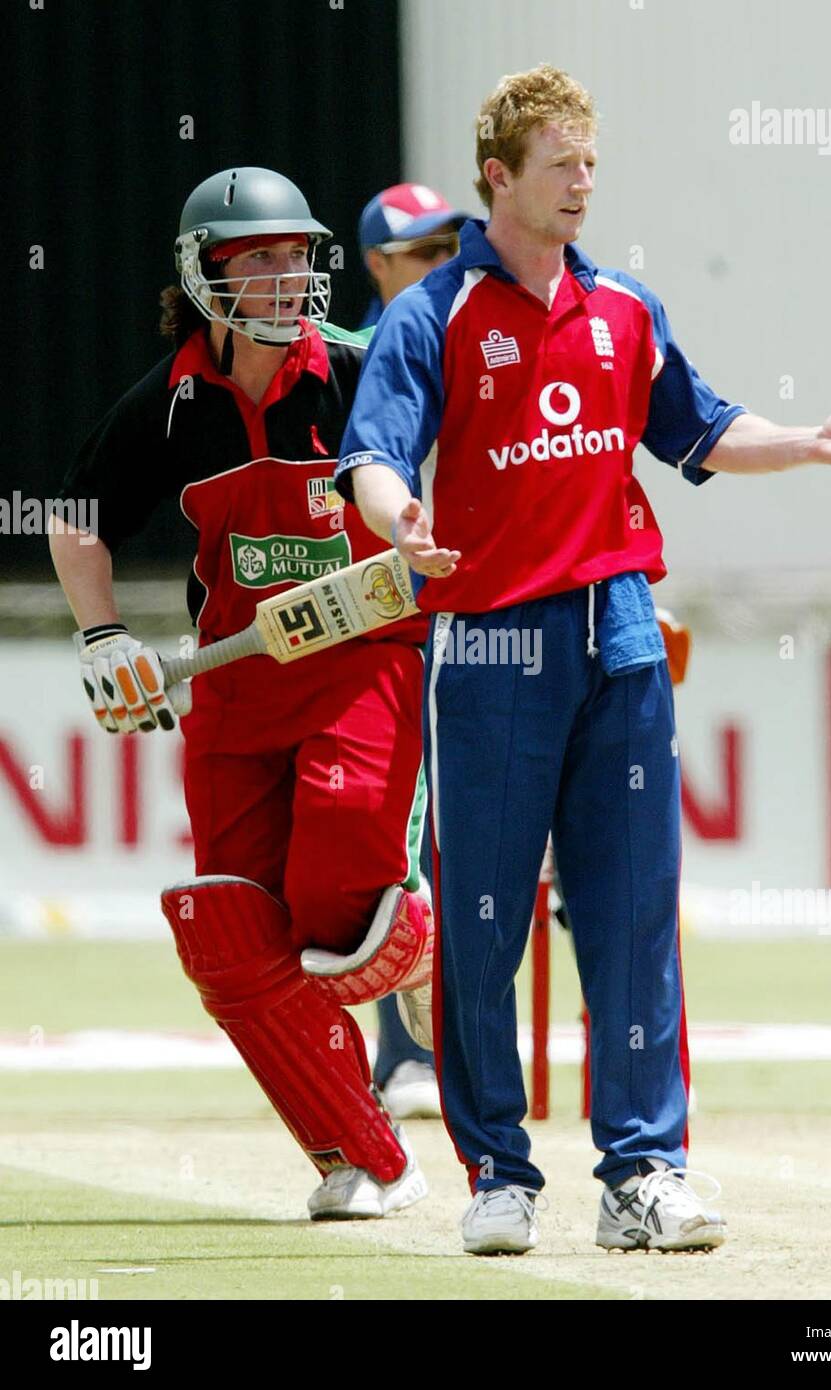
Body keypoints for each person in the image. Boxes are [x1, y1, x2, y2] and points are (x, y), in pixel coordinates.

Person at [334, 66, 831, 1256]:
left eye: (590, 165)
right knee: (483, 919)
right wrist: (398, 516)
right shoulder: (432, 315)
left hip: (617, 628)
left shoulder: (624, 311)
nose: (583, 186)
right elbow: (375, 456)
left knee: (630, 916)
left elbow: (704, 430)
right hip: (493, 640)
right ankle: (497, 1172)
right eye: (561, 166)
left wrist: (812, 441)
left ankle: (643, 1172)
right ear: (497, 178)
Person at [48, 166, 438, 1222]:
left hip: (363, 661)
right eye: (255, 259)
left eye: (295, 256)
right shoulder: (168, 402)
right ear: (203, 275)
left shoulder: (360, 369)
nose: (284, 277)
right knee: (231, 932)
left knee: (335, 884)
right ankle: (355, 1154)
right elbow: (75, 513)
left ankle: (419, 943)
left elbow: (441, 455)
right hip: (233, 686)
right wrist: (103, 635)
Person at [357, 182, 467, 1121]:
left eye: (446, 250)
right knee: (392, 831)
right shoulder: (354, 355)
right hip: (371, 621)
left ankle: (427, 1048)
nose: (437, 269)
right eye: (416, 256)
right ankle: (399, 1053)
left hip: (459, 614)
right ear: (375, 267)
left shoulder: (470, 335)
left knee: (442, 829)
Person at [358, 183, 467, 328]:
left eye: (450, 245)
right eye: (427, 248)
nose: (445, 261)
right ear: (378, 264)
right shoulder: (366, 349)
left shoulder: (483, 334)